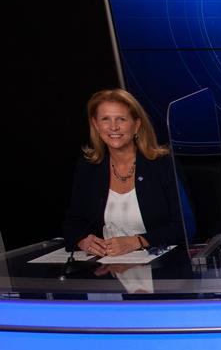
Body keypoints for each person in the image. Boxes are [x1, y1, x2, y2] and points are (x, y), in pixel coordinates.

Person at [63, 89, 187, 256]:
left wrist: (138, 241)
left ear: (136, 124)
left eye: (121, 119)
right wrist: (83, 241)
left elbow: (184, 227)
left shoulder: (163, 164)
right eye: (105, 119)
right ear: (96, 125)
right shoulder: (88, 167)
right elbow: (72, 224)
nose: (113, 127)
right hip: (106, 265)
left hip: (160, 263)